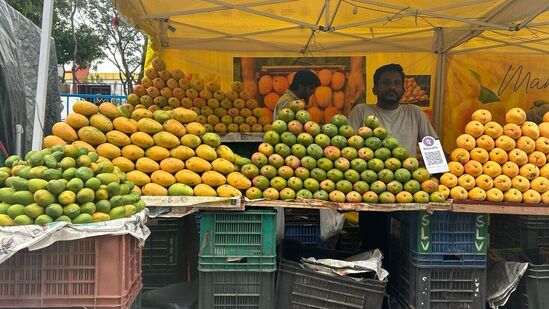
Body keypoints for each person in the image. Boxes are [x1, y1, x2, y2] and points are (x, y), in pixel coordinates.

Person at [348, 63, 438, 253]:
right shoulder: (362, 111)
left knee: (403, 248)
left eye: (397, 83)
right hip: (371, 191)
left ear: (403, 89)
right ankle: (374, 282)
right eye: (386, 83)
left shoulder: (414, 112)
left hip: (407, 191)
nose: (392, 87)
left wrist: (441, 180)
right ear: (375, 88)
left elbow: (431, 147)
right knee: (372, 246)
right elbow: (348, 149)